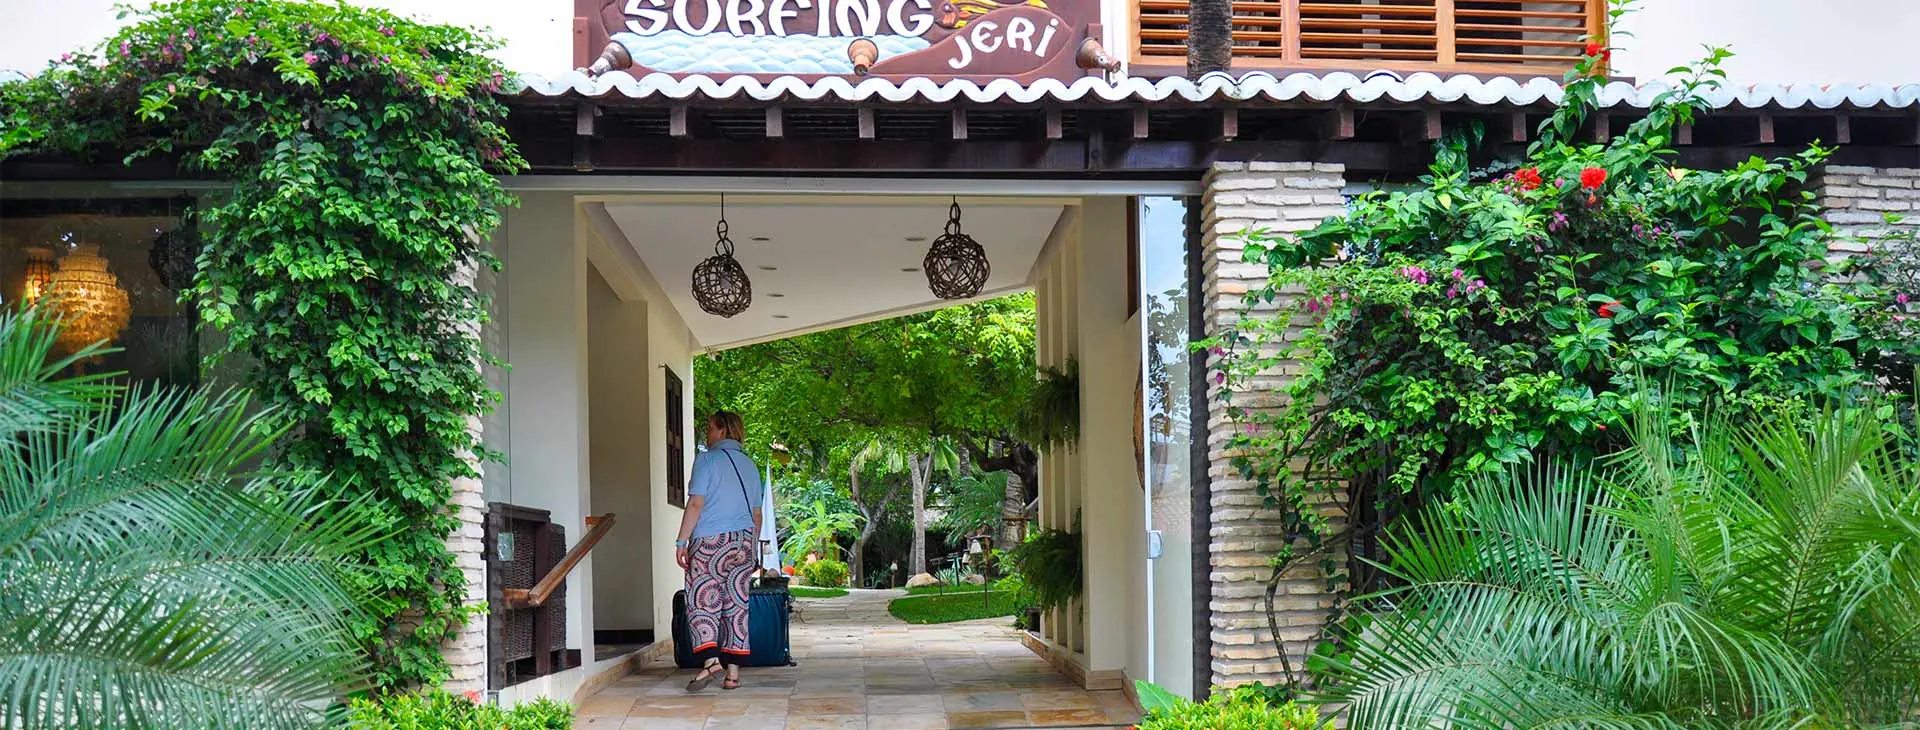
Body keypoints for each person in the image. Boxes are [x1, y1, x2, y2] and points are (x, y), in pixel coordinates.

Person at [674, 410, 765, 692]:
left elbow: (696, 503)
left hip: (710, 541)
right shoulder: (750, 465)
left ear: (723, 430)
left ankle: (712, 661)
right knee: (736, 604)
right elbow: (757, 514)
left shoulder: (706, 460)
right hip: (743, 541)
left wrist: (681, 541)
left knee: (703, 599)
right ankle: (733, 673)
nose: (707, 433)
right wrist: (751, 547)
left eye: (710, 428)